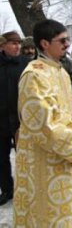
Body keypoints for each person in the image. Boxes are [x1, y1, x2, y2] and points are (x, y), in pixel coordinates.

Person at [14, 19, 72, 227]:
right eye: (62, 40)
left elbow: (70, 109)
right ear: (45, 43)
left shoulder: (59, 71)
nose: (68, 44)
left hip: (64, 159)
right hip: (46, 162)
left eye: (67, 39)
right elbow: (46, 126)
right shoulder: (34, 76)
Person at [0, 31, 28, 206]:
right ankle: (7, 190)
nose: (17, 46)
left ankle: (27, 190)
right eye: (13, 43)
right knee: (1, 158)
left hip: (22, 121)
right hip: (1, 121)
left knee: (25, 158)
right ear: (2, 46)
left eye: (19, 43)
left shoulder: (27, 64)